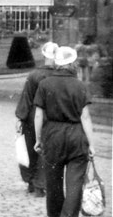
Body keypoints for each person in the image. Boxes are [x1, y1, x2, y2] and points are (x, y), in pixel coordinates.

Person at [34, 46, 96, 217]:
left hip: (53, 135)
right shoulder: (80, 85)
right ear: (73, 63)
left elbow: (38, 115)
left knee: (53, 182)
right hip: (76, 135)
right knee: (75, 182)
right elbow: (85, 117)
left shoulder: (45, 84)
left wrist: (38, 140)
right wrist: (91, 144)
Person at [15, 41, 58, 197]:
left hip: (33, 115)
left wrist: (20, 118)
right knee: (47, 150)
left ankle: (32, 182)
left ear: (43, 54)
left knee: (32, 147)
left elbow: (26, 97)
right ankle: (40, 184)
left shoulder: (34, 75)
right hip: (53, 115)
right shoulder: (59, 75)